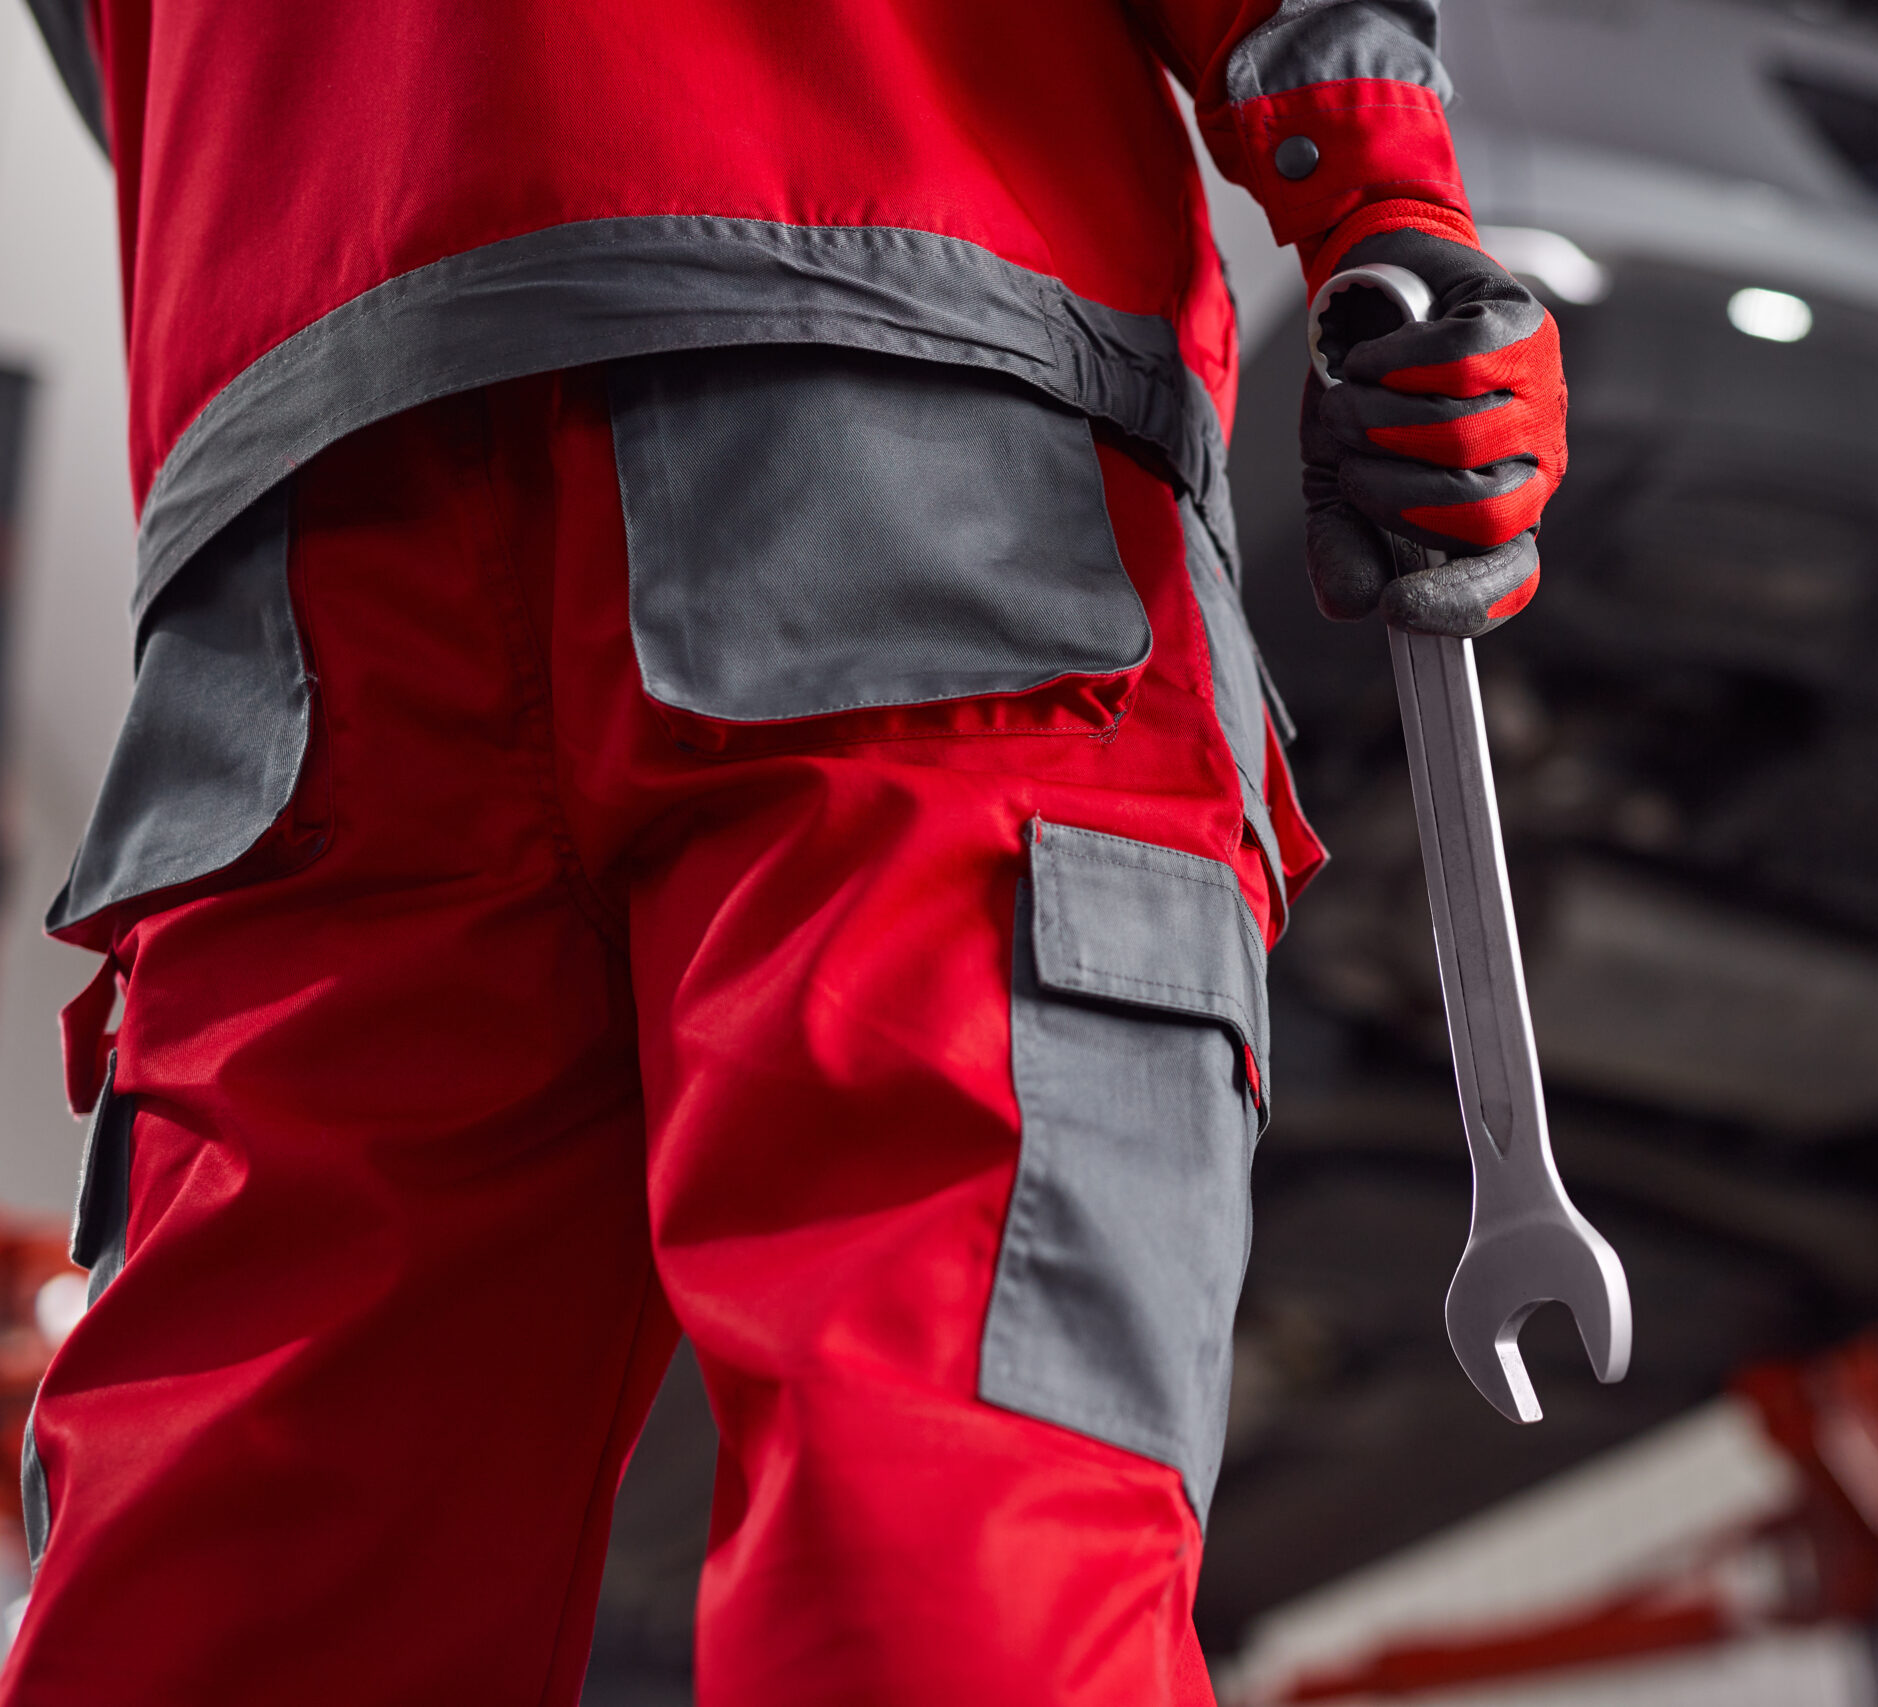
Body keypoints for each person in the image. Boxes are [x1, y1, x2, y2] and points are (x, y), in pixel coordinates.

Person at [4, 0, 1566, 1699]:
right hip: (901, 453)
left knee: (226, 1625)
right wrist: (1380, 187)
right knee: (945, 1595)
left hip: (320, 548)